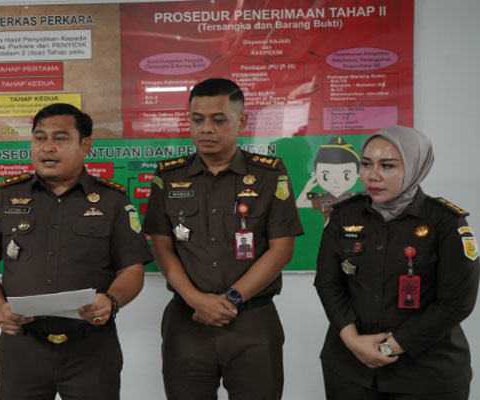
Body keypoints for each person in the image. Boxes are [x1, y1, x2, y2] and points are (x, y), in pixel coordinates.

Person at [0, 103, 152, 400]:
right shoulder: (6, 197)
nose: (47, 147)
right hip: (23, 348)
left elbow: (132, 268)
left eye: (60, 138)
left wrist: (112, 301)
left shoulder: (113, 200)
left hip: (91, 349)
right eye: (40, 138)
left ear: (86, 145)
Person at [143, 78, 303, 399]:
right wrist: (196, 299)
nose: (206, 129)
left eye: (218, 120)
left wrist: (231, 299)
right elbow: (161, 246)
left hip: (252, 322)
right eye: (197, 119)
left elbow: (282, 249)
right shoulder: (168, 176)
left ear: (241, 122)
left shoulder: (269, 174)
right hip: (187, 320)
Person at [314, 125, 479, 399]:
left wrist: (389, 347)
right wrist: (352, 340)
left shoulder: (446, 222)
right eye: (366, 164)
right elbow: (328, 283)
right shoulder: (344, 215)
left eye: (387, 165)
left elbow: (456, 302)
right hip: (350, 370)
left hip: (427, 374)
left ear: (415, 167)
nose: (373, 175)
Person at [296, 136, 361, 223]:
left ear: (357, 175)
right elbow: (300, 203)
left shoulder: (355, 199)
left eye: (346, 175)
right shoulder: (323, 199)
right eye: (326, 176)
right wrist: (308, 187)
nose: (336, 181)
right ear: (315, 175)